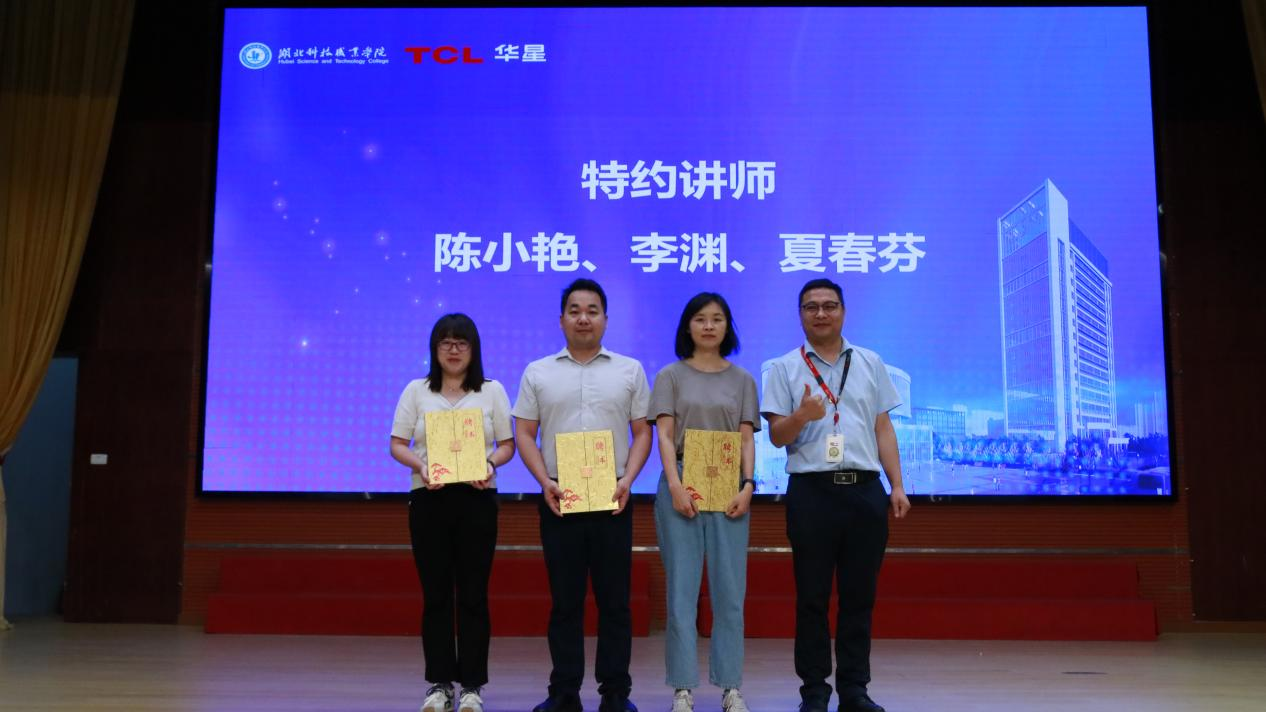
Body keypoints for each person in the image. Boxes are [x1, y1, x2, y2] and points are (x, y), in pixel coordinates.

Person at [760, 278, 911, 712]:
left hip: (864, 492)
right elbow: (776, 436)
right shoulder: (783, 367)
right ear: (800, 315)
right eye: (811, 307)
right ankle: (814, 691)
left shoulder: (870, 361)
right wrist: (802, 415)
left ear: (843, 311)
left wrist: (897, 484)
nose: (821, 313)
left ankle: (854, 690)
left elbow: (883, 427)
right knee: (811, 598)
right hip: (812, 493)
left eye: (829, 305)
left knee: (859, 598)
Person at [514, 278, 653, 712]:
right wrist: (544, 481)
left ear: (606, 319)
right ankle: (564, 692)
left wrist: (628, 480)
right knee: (565, 603)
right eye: (574, 310)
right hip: (560, 497)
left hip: (614, 497)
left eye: (592, 311)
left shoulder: (629, 370)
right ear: (561, 320)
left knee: (615, 603)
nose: (583, 318)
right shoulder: (538, 372)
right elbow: (524, 432)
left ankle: (615, 693)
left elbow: (642, 432)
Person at [390, 313, 515, 712]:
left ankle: (473, 686)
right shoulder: (417, 391)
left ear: (474, 349)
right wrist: (422, 466)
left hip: (477, 500)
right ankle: (440, 684)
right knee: (437, 595)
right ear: (435, 349)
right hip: (429, 499)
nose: (454, 349)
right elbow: (397, 444)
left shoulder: (492, 391)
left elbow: (507, 445)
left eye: (462, 342)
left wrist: (490, 464)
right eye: (446, 342)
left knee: (474, 595)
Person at [649, 292, 759, 712]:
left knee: (730, 591)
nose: (709, 326)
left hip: (729, 484)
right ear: (687, 326)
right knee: (682, 590)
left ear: (727, 326)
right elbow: (664, 435)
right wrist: (676, 486)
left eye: (717, 319)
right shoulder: (670, 376)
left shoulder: (743, 380)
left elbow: (746, 439)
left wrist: (748, 485)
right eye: (700, 318)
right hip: (682, 479)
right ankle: (682, 688)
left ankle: (731, 686)